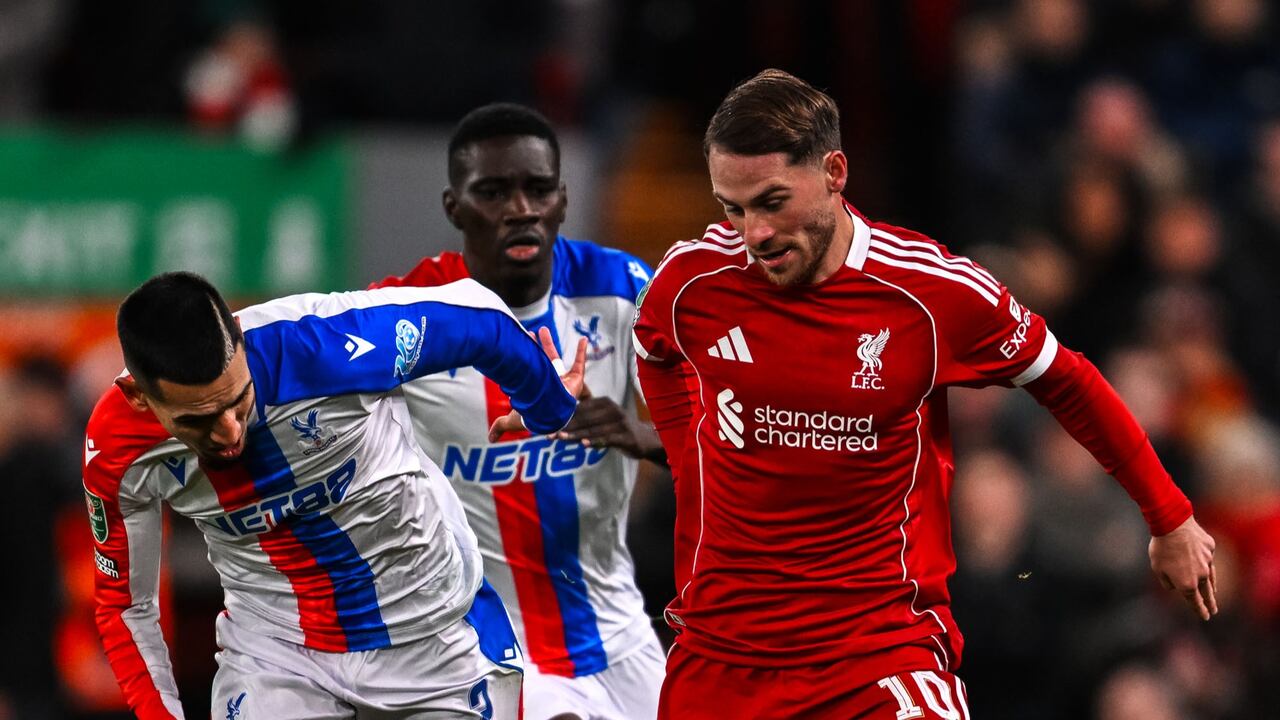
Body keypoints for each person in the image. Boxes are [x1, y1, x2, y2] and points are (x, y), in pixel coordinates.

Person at [631, 69, 1218, 718]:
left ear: (834, 172)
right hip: (723, 659)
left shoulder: (928, 293)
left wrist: (1169, 518)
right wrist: (691, 461)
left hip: (876, 653)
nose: (754, 234)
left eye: (771, 202)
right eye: (732, 208)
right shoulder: (694, 280)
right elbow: (654, 348)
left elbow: (1065, 378)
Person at [84, 271, 585, 719]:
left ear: (239, 338)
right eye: (198, 420)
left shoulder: (325, 345)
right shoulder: (117, 453)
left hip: (434, 634)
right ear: (139, 397)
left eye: (239, 401)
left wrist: (549, 406)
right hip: (277, 652)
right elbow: (127, 607)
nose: (230, 431)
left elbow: (482, 322)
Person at [371, 102, 667, 720]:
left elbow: (719, 440)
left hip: (621, 634)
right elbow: (299, 356)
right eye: (493, 192)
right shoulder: (408, 312)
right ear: (454, 207)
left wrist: (635, 434)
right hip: (495, 648)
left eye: (537, 190)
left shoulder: (623, 287)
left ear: (562, 199)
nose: (520, 210)